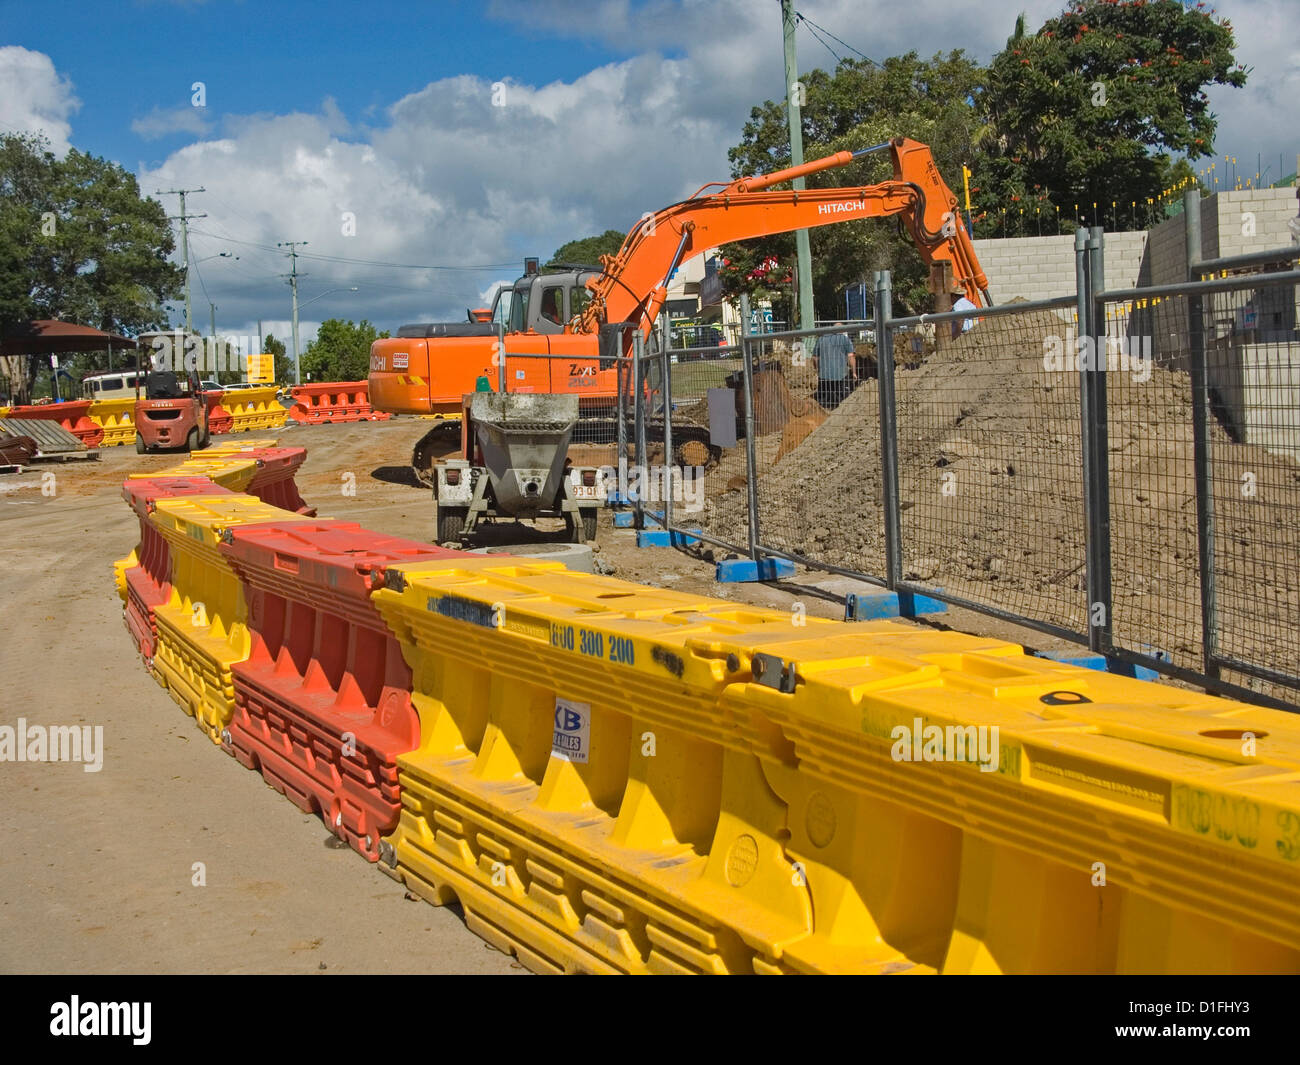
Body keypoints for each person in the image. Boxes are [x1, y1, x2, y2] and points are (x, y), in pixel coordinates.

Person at [813, 324, 857, 410]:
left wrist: (818, 369)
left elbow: (814, 358)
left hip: (824, 375)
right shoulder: (845, 339)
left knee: (823, 403)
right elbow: (851, 357)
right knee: (843, 402)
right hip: (841, 375)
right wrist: (854, 372)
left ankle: (824, 417)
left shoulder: (821, 339)